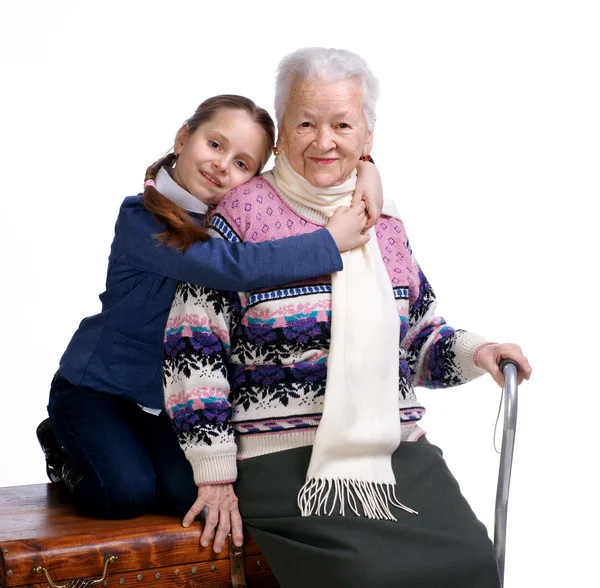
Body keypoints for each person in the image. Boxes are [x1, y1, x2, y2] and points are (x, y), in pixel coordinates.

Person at [163, 50, 532, 587]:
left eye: (341, 124)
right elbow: (191, 346)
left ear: (368, 138)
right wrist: (214, 473)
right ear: (282, 131)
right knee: (369, 579)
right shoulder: (240, 216)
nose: (323, 141)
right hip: (284, 462)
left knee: (473, 564)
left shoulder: (385, 225)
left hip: (395, 453)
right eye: (306, 123)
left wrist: (481, 352)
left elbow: (419, 340)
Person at [37, 93, 385, 520]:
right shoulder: (140, 219)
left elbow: (309, 167)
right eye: (215, 145)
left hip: (164, 401)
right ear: (184, 138)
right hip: (98, 388)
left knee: (185, 498)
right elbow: (233, 268)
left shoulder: (231, 219)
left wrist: (367, 168)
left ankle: (132, 450)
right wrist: (328, 242)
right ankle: (59, 444)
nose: (222, 165)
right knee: (125, 494)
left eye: (243, 164)